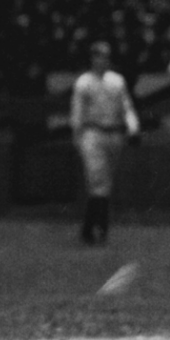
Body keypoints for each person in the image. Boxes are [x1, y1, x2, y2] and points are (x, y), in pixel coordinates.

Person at [70, 41, 141, 245]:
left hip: (114, 133)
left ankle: (90, 227)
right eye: (98, 56)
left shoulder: (116, 81)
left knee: (105, 181)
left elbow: (126, 106)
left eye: (105, 56)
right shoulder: (84, 82)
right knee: (97, 178)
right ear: (92, 58)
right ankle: (100, 227)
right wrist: (77, 136)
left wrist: (133, 127)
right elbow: (77, 111)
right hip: (93, 132)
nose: (102, 60)